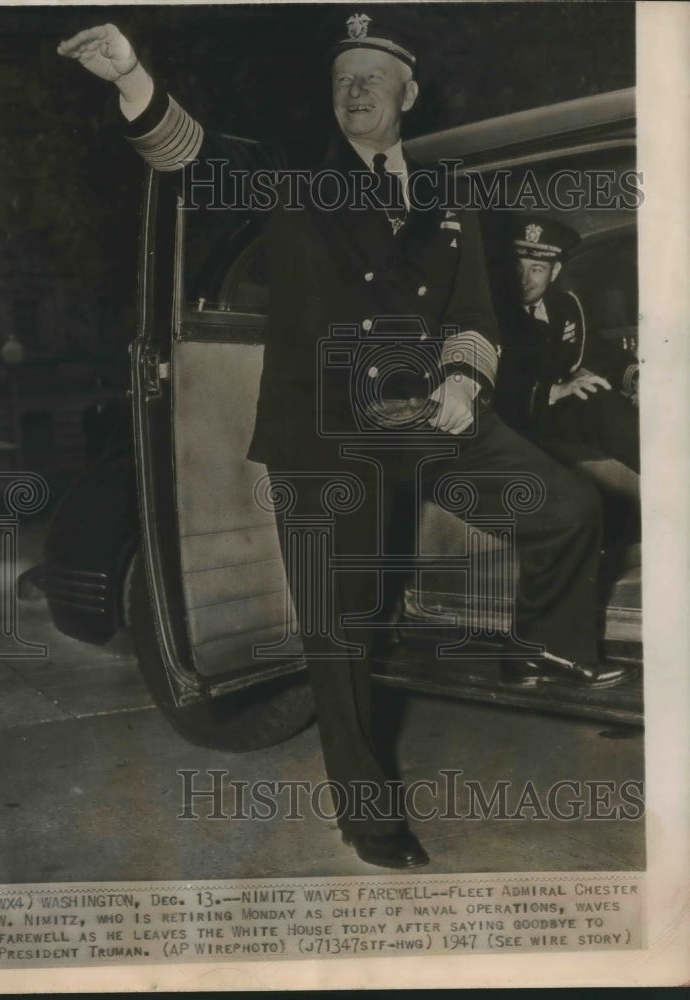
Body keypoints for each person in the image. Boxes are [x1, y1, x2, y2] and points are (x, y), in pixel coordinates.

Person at [58, 15, 632, 870]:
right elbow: (194, 156)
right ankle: (366, 811)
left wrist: (462, 381)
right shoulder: (298, 180)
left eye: (371, 77)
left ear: (407, 94)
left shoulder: (446, 193)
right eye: (341, 80)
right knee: (343, 629)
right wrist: (131, 79)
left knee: (566, 504)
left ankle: (539, 651)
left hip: (431, 420)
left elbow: (473, 313)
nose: (354, 91)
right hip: (328, 433)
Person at [495, 216, 640, 473]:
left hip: (567, 411)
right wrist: (557, 391)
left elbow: (593, 351)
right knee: (599, 404)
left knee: (607, 401)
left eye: (536, 269)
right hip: (522, 416)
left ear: (555, 272)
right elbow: (499, 385)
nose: (524, 279)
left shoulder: (565, 306)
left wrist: (635, 377)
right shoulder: (492, 313)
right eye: (518, 267)